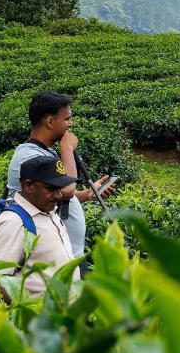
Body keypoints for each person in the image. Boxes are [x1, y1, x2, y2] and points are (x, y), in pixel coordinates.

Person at [7, 90, 115, 259]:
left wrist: (87, 195)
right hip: (51, 257)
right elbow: (66, 190)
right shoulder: (30, 156)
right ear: (50, 122)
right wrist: (67, 148)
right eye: (66, 119)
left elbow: (54, 194)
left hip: (68, 254)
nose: (70, 124)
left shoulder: (46, 152)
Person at [0, 154, 83, 298]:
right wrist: (29, 310)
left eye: (59, 188)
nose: (58, 195)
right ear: (28, 186)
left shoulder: (49, 211)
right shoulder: (13, 222)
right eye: (50, 188)